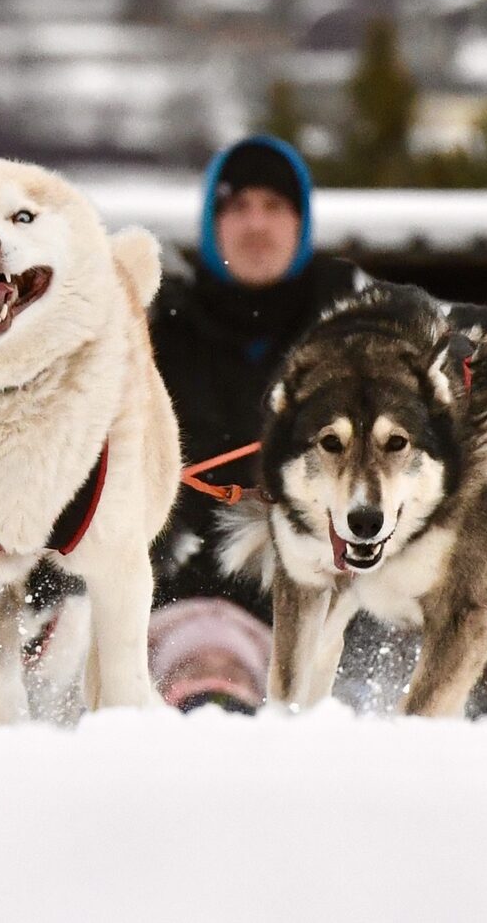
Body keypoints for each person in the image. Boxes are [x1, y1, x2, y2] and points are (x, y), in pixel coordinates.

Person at [149, 135, 363, 623]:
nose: (256, 224)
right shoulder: (162, 331)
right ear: (213, 222)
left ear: (301, 219)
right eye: (239, 206)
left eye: (274, 205)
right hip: (175, 609)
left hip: (326, 611)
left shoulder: (353, 331)